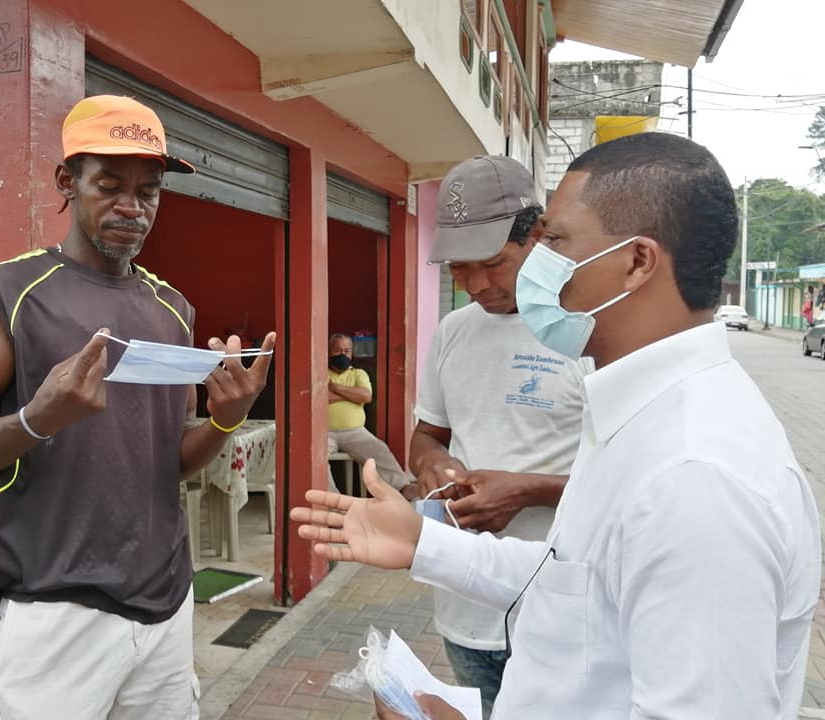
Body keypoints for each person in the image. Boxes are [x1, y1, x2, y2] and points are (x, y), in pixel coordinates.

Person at [292, 132, 821, 719]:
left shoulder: (698, 478)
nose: (537, 266)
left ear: (636, 262)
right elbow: (571, 578)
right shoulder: (638, 415)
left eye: (556, 241)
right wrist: (423, 541)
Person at [0, 94, 276, 720]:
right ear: (67, 181)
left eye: (149, 191)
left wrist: (225, 420)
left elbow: (171, 461)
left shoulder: (173, 309)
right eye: (110, 185)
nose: (132, 206)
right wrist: (38, 419)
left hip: (166, 600)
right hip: (56, 606)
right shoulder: (9, 292)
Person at [410, 155, 587, 718]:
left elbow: (632, 483)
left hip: (563, 615)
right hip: (463, 608)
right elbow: (427, 435)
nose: (477, 286)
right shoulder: (453, 331)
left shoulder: (587, 335)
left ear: (537, 237)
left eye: (493, 263)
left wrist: (528, 491)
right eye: (459, 269)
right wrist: (433, 465)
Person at [327, 333, 415, 499]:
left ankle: (403, 487)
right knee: (316, 459)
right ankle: (333, 500)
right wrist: (352, 395)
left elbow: (366, 396)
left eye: (347, 351)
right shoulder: (321, 373)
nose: (343, 354)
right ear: (328, 352)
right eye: (338, 350)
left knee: (380, 450)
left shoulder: (359, 374)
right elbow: (321, 397)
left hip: (356, 432)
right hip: (325, 433)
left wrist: (336, 388)